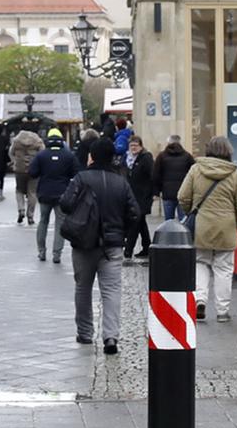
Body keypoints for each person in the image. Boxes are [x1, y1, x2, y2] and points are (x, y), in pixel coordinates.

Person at [59, 136, 140, 353]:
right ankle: (111, 337)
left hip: (83, 243)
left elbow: (65, 204)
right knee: (111, 290)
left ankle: (85, 332)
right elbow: (134, 212)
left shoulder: (81, 178)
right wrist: (121, 231)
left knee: (83, 287)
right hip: (112, 245)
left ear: (92, 156)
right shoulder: (121, 181)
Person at [176, 135, 237, 323]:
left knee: (201, 263)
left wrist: (191, 211)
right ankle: (222, 311)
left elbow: (182, 196)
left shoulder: (196, 169)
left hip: (202, 226)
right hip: (226, 227)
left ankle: (200, 300)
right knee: (224, 269)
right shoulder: (234, 174)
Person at [29, 129, 80, 263]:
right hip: (62, 194)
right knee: (60, 223)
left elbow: (32, 172)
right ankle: (57, 254)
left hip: (44, 193)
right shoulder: (69, 155)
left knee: (43, 221)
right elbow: (76, 173)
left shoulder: (41, 155)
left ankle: (41, 251)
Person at [123, 134, 156, 260]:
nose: (133, 148)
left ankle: (128, 250)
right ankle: (147, 247)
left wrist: (154, 193)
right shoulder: (127, 158)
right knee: (141, 222)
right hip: (132, 196)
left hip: (143, 195)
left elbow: (152, 176)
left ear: (141, 146)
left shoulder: (146, 158)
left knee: (136, 221)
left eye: (136, 145)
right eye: (131, 145)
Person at [153, 134, 194, 221]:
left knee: (168, 221)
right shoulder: (187, 156)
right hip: (183, 193)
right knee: (183, 221)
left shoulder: (161, 156)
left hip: (167, 193)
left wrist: (157, 191)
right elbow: (193, 174)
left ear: (168, 143)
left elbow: (156, 175)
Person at [9, 124, 45, 224]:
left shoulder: (16, 140)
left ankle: (21, 210)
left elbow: (11, 152)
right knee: (32, 193)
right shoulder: (38, 141)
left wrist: (14, 161)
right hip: (33, 169)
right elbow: (43, 154)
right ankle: (30, 216)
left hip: (19, 169)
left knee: (19, 190)